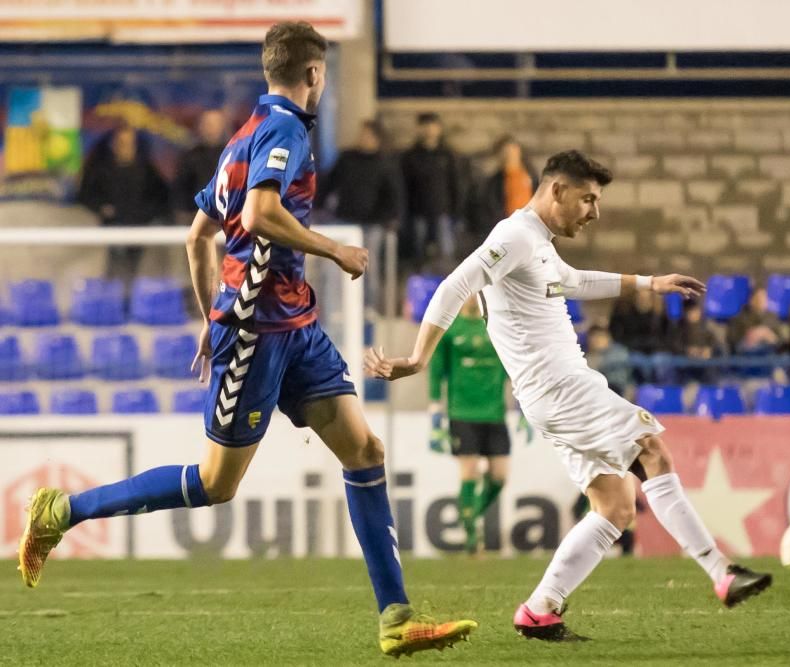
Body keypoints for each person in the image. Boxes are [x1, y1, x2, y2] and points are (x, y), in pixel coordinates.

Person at [17, 21, 476, 659]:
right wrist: (333, 248)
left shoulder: (241, 138)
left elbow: (197, 236)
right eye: (320, 75)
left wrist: (209, 314)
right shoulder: (284, 129)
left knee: (364, 450)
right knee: (216, 483)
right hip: (258, 336)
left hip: (296, 326)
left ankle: (396, 617)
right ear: (314, 75)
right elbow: (258, 215)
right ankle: (61, 511)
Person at [366, 150, 771, 642]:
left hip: (554, 392)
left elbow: (573, 282)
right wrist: (419, 356)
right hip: (561, 387)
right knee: (651, 449)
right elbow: (456, 284)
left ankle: (540, 611)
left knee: (616, 506)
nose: (594, 212)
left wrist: (650, 282)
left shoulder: (536, 240)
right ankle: (721, 572)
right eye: (588, 199)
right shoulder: (513, 236)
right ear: (556, 189)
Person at [428, 295, 510, 554]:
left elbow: (513, 368)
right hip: (462, 412)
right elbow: (436, 372)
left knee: (499, 477)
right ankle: (473, 536)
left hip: (495, 412)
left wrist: (522, 403)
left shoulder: (497, 326)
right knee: (470, 470)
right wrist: (435, 414)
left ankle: (470, 514)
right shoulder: (451, 329)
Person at [316, 119, 403, 312]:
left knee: (368, 269)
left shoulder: (385, 164)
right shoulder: (347, 159)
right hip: (345, 222)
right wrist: (318, 206)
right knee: (337, 268)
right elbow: (329, 183)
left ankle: (368, 307)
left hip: (372, 224)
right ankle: (338, 308)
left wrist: (391, 217)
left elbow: (394, 194)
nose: (363, 138)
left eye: (368, 134)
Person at [78, 124, 170, 281]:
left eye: (129, 143)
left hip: (140, 229)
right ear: (113, 144)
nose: (125, 147)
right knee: (114, 271)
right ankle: (112, 299)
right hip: (110, 229)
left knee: (136, 272)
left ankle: (131, 301)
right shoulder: (100, 169)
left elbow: (162, 198)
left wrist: (146, 214)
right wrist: (102, 208)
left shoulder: (146, 169)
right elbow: (85, 195)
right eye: (121, 142)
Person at [399, 112, 461, 266]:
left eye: (432, 125)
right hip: (418, 213)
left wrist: (457, 212)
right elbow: (404, 187)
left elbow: (456, 184)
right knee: (419, 257)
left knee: (446, 257)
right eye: (425, 125)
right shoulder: (410, 156)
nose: (429, 130)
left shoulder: (448, 155)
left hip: (443, 212)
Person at [173, 109, 229, 225]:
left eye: (215, 124)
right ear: (200, 127)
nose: (211, 128)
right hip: (194, 220)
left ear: (222, 127)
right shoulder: (189, 158)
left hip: (229, 220)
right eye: (207, 124)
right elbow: (180, 194)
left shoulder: (233, 155)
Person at [481, 135, 538, 227]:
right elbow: (493, 209)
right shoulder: (494, 183)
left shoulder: (530, 174)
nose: (510, 156)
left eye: (512, 151)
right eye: (505, 153)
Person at [667, 299, 724, 384]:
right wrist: (687, 351)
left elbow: (715, 344)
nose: (693, 314)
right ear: (685, 313)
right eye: (689, 311)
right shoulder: (679, 329)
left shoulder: (706, 329)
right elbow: (675, 346)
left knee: (712, 368)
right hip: (686, 365)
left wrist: (709, 350)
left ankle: (711, 390)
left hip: (704, 364)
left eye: (695, 311)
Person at [727, 286, 785, 355]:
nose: (762, 301)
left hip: (768, 354)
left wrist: (769, 335)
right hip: (747, 356)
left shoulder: (772, 318)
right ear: (751, 300)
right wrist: (749, 337)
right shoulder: (739, 318)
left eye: (764, 298)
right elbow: (733, 342)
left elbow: (780, 342)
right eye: (758, 298)